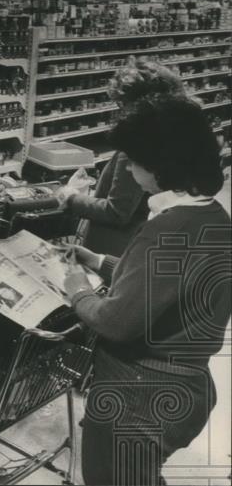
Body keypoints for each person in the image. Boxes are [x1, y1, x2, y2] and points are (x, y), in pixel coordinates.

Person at [60, 98, 230, 486]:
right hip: (185, 389)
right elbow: (168, 285)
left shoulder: (165, 230)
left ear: (157, 168)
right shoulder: (212, 216)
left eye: (133, 161)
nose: (129, 168)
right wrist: (98, 260)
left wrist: (78, 290)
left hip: (137, 399)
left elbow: (117, 323)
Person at [56, 59, 190, 257]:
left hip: (113, 245)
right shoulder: (173, 135)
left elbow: (117, 213)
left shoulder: (138, 147)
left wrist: (71, 198)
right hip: (140, 239)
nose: (120, 111)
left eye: (122, 104)